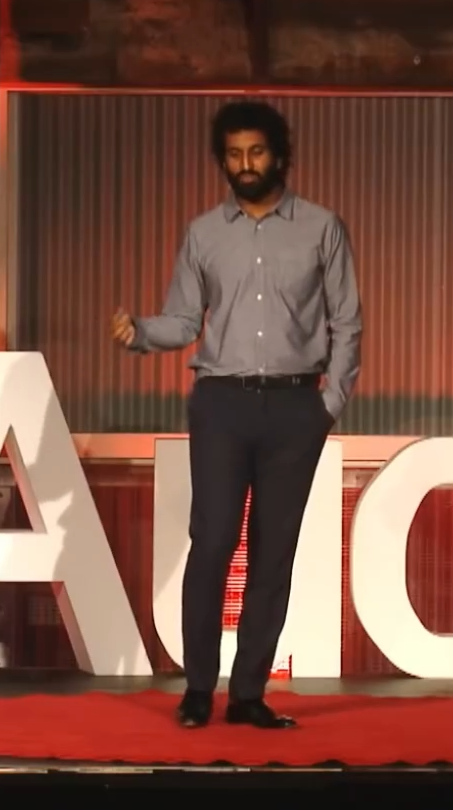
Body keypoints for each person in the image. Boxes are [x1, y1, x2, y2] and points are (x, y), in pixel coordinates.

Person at [112, 100, 362, 730]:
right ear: (221, 159)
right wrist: (140, 332)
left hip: (294, 405)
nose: (245, 165)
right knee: (214, 541)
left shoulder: (322, 227)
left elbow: (347, 322)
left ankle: (248, 693)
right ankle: (199, 687)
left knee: (272, 553)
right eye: (233, 154)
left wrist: (328, 405)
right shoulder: (204, 233)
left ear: (279, 154)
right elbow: (185, 321)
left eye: (256, 152)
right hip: (221, 403)